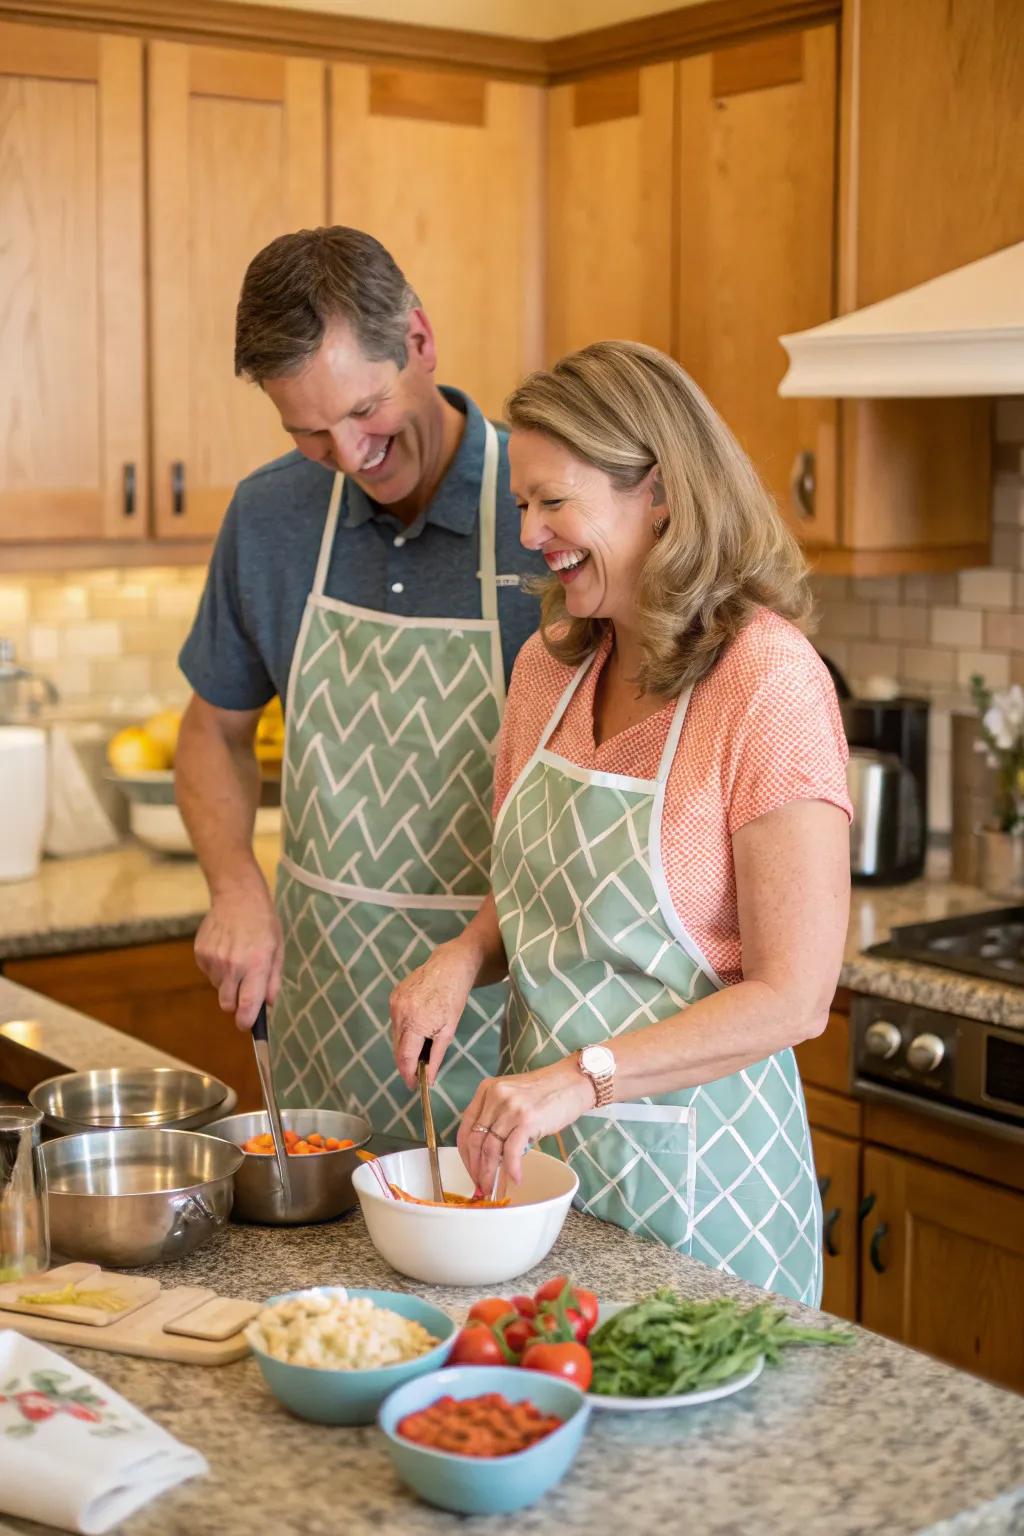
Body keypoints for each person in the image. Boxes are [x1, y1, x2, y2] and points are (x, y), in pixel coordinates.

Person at [389, 340, 851, 1303]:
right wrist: (467, 956)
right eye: (522, 504)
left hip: (706, 1195)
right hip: (538, 1185)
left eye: (553, 502)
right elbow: (543, 899)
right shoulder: (549, 671)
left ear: (662, 495)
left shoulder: (767, 682)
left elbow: (794, 996)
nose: (530, 533)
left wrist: (577, 1080)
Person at [175, 226, 545, 1145]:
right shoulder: (270, 517)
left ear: (419, 341)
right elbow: (214, 728)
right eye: (307, 430)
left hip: (504, 1043)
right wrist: (234, 885)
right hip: (323, 1031)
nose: (347, 454)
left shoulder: (543, 515)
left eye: (365, 411)